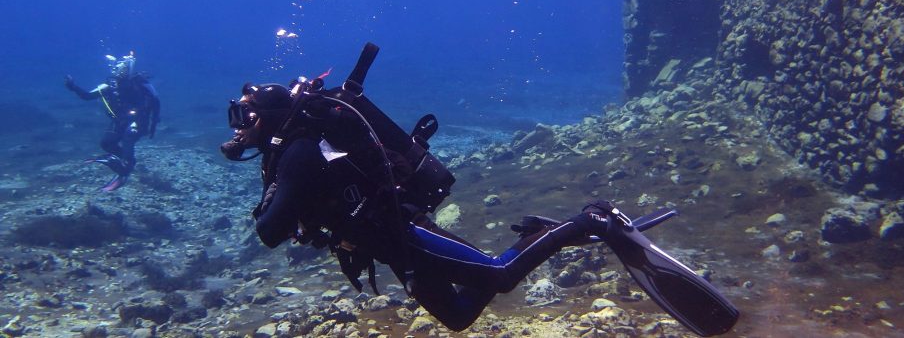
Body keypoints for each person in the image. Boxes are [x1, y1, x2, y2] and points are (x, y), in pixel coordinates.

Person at [219, 45, 738, 336]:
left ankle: (593, 220)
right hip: (390, 246)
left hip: (401, 232)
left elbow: (270, 232)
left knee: (501, 275)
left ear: (267, 119)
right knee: (460, 316)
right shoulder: (288, 155)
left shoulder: (300, 154)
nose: (238, 127)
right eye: (235, 117)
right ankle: (539, 233)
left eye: (244, 117)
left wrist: (270, 208)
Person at [66, 52, 160, 192]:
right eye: (118, 69)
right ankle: (126, 161)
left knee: (128, 139)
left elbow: (155, 102)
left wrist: (153, 124)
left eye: (123, 69)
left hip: (138, 121)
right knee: (106, 143)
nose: (120, 72)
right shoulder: (109, 85)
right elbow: (87, 96)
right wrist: (73, 87)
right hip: (120, 121)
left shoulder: (140, 84)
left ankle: (125, 168)